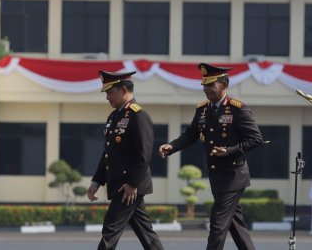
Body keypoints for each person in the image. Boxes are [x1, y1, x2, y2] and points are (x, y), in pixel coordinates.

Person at [159, 63, 263, 250]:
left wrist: (229, 151)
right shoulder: (203, 110)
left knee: (217, 225)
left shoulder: (238, 109)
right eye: (204, 85)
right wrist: (171, 146)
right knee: (235, 225)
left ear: (224, 85)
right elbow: (190, 134)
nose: (206, 90)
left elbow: (256, 139)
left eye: (210, 85)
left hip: (233, 177)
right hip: (217, 177)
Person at [87, 70, 164, 250]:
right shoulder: (114, 116)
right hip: (121, 185)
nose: (107, 97)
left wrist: (132, 183)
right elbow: (108, 154)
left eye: (110, 92)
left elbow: (144, 154)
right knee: (147, 234)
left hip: (128, 187)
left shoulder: (138, 115)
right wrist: (96, 181)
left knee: (110, 229)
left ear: (123, 90)